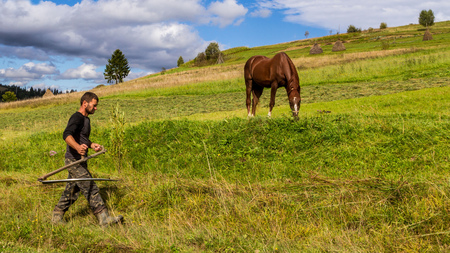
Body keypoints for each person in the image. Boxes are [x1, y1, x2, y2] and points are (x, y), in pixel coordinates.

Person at [52, 92, 123, 226]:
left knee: (72, 190)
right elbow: (66, 135)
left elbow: (82, 138)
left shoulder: (86, 120)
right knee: (90, 185)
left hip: (80, 160)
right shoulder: (77, 117)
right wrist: (78, 148)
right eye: (94, 105)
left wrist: (91, 145)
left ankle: (56, 217)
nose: (96, 108)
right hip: (73, 160)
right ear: (85, 103)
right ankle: (104, 218)